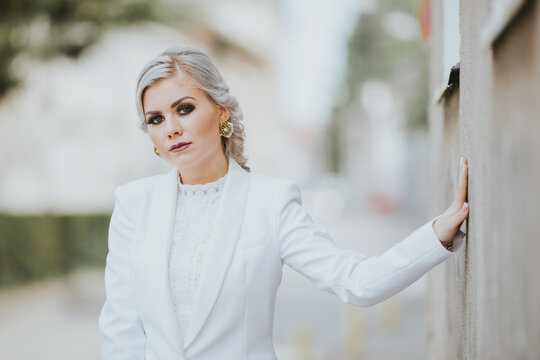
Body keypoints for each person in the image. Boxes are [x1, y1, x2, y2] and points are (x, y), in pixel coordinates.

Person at [97, 45, 469, 360]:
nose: (171, 128)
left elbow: (356, 282)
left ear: (221, 110)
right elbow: (120, 331)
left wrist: (437, 235)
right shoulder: (133, 204)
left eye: (185, 109)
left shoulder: (270, 201)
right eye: (156, 119)